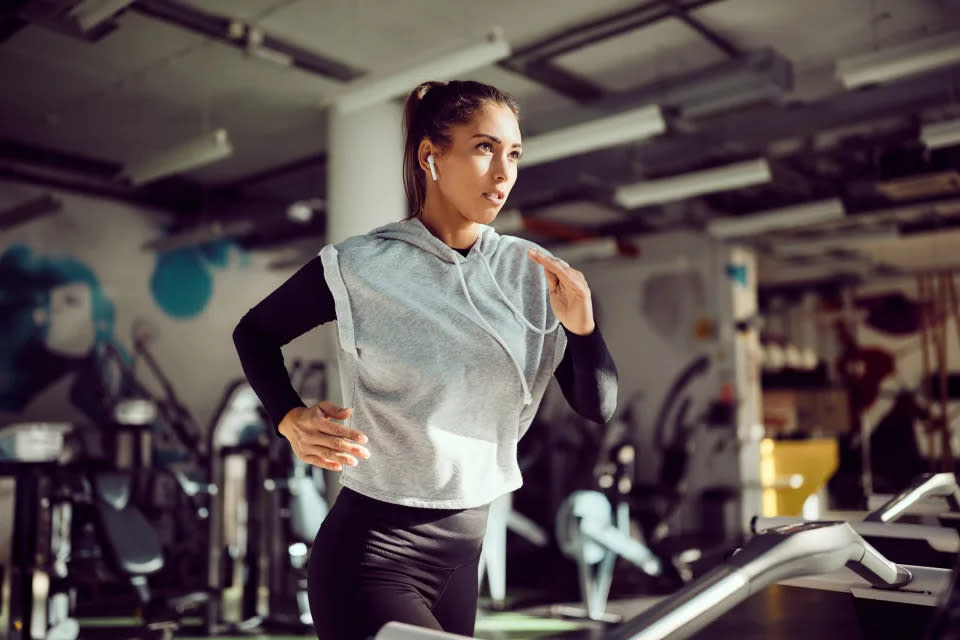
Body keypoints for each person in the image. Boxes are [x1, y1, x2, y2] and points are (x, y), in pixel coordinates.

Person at [233, 79, 619, 640]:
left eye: (513, 154)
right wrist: (287, 417)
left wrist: (583, 327)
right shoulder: (361, 265)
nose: (504, 172)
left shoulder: (529, 272)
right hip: (371, 556)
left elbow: (597, 406)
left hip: (464, 559)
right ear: (430, 155)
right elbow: (256, 333)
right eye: (485, 148)